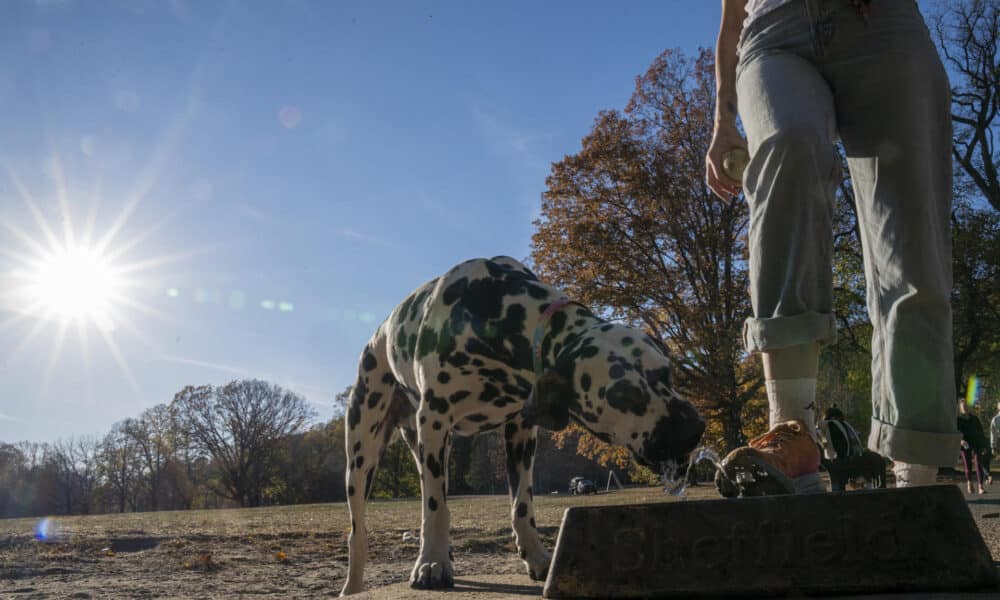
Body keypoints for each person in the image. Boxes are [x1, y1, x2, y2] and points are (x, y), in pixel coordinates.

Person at [707, 0, 960, 497]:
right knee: (787, 146)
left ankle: (915, 473)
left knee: (910, 247)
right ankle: (793, 436)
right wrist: (722, 120)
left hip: (881, 23)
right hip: (773, 32)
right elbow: (730, 14)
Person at [957, 399, 989, 495]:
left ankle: (980, 487)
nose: (965, 408)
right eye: (963, 407)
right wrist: (961, 441)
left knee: (978, 463)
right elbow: (956, 433)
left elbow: (980, 432)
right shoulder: (958, 420)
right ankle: (969, 483)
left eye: (967, 406)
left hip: (976, 444)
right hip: (965, 445)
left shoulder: (975, 419)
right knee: (968, 465)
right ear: (960, 408)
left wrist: (984, 445)